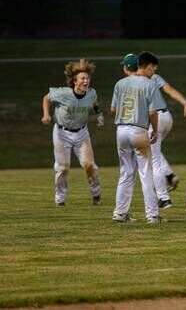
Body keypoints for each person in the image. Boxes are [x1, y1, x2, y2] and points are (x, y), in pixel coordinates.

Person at [111, 53, 165, 223]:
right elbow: (153, 112)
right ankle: (153, 215)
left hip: (121, 131)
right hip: (138, 130)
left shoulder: (119, 84)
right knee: (145, 173)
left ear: (126, 67)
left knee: (125, 172)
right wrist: (155, 130)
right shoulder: (149, 84)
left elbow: (113, 109)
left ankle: (119, 213)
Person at [137, 51, 186, 209]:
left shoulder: (134, 82)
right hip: (166, 117)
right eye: (153, 67)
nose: (154, 70)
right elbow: (169, 89)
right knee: (153, 151)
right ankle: (168, 174)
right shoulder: (153, 78)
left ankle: (164, 198)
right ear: (147, 66)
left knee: (152, 160)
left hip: (154, 118)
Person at [41, 59, 103, 207]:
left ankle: (96, 195)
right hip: (62, 134)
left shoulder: (91, 93)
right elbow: (46, 98)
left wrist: (99, 115)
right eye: (82, 78)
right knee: (63, 168)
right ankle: (60, 199)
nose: (86, 81)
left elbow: (94, 103)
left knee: (90, 166)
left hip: (82, 133)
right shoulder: (63, 93)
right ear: (75, 81)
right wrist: (46, 114)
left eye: (87, 78)